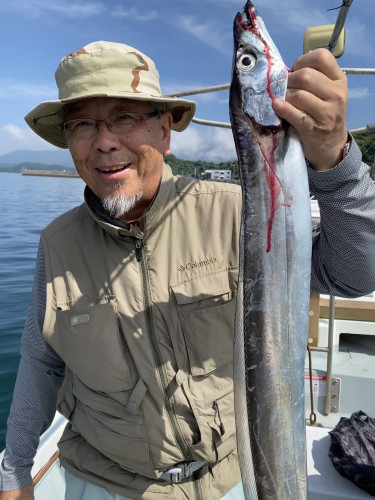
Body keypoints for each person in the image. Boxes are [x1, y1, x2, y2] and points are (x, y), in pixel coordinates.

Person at [1, 40, 375, 500]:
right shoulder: (57, 244)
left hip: (233, 477)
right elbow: (41, 362)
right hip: (102, 480)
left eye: (125, 116)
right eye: (82, 124)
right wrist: (15, 470)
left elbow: (354, 275)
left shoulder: (239, 213)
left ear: (165, 131)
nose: (103, 141)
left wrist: (337, 163)